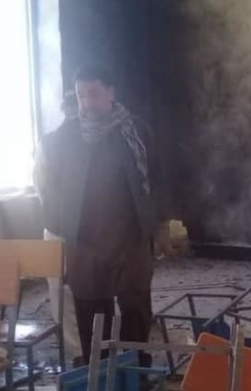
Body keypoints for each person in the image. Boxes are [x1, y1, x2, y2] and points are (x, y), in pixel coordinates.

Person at [34, 64, 158, 367]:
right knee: (91, 312)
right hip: (85, 245)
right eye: (81, 96)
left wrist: (154, 226)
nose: (87, 103)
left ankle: (136, 371)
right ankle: (97, 375)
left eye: (94, 94)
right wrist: (63, 228)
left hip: (130, 240)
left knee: (135, 308)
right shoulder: (61, 140)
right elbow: (49, 188)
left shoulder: (136, 131)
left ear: (110, 93)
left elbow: (155, 178)